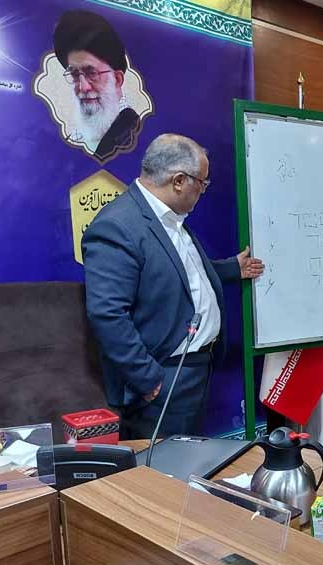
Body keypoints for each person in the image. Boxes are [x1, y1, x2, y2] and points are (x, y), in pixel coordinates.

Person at [82, 133, 264, 439]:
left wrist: (233, 268)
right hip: (164, 378)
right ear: (179, 180)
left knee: (187, 456)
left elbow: (179, 274)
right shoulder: (117, 225)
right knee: (163, 465)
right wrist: (147, 378)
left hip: (194, 370)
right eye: (202, 182)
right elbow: (107, 313)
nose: (203, 189)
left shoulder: (168, 218)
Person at [53, 10, 141, 161]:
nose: (83, 87)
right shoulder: (76, 137)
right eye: (75, 75)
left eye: (92, 73)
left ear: (117, 79)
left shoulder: (131, 131)